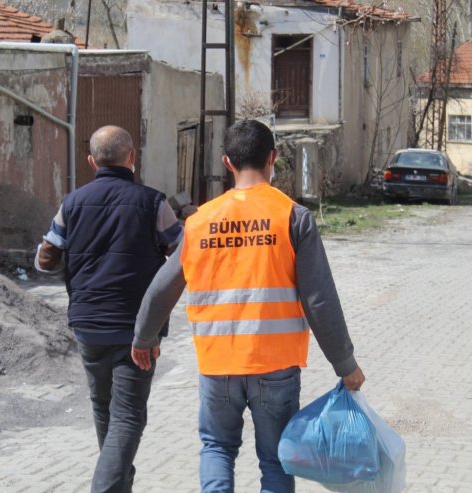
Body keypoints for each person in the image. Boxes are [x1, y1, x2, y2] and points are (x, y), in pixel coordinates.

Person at [131, 119, 365, 493]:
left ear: (227, 163)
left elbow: (162, 287)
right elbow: (319, 300)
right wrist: (345, 364)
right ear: (273, 158)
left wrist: (144, 337)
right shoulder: (293, 217)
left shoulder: (200, 221)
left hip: (218, 363)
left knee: (217, 448)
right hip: (275, 365)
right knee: (275, 460)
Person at [35, 125, 182, 493]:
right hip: (137, 330)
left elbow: (45, 261)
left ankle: (117, 485)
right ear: (132, 157)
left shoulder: (72, 203)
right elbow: (183, 252)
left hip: (88, 327)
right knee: (128, 417)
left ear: (91, 161)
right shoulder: (152, 202)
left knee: (104, 409)